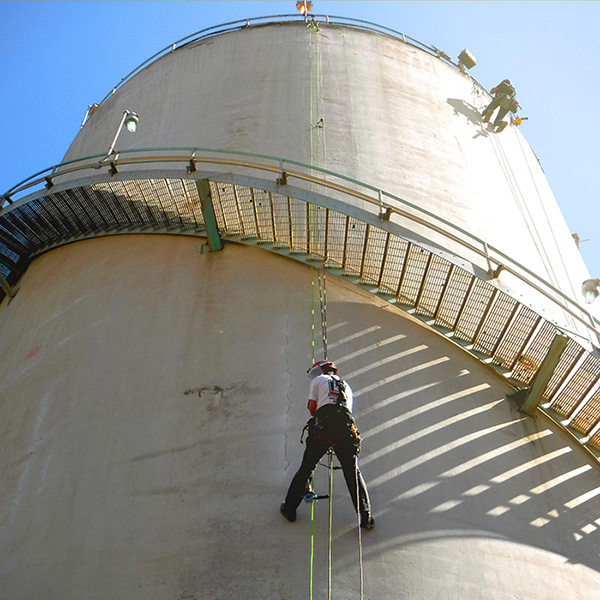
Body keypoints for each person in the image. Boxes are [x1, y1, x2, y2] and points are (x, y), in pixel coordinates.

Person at [280, 360, 374, 529]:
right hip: (346, 429)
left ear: (322, 370)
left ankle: (289, 508)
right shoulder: (346, 385)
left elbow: (313, 408)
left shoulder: (318, 380)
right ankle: (366, 515)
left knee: (307, 467)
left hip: (324, 426)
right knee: (352, 471)